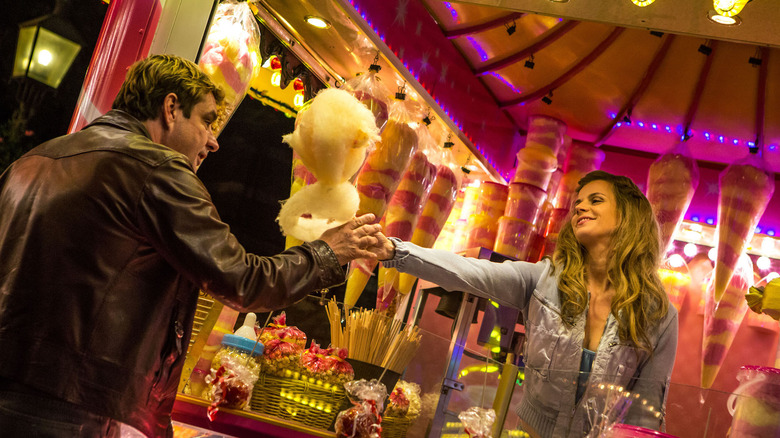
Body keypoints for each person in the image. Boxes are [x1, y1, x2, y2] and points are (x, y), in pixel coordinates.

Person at [0, 54, 384, 437]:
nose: (214, 142)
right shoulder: (157, 169)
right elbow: (244, 280)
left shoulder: (31, 162)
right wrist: (329, 251)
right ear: (170, 108)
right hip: (75, 407)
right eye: (207, 120)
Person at [375, 170, 678, 438]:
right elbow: (471, 272)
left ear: (628, 215)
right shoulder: (543, 280)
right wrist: (394, 250)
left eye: (595, 200)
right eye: (578, 204)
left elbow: (646, 410)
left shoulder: (658, 314)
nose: (581, 207)